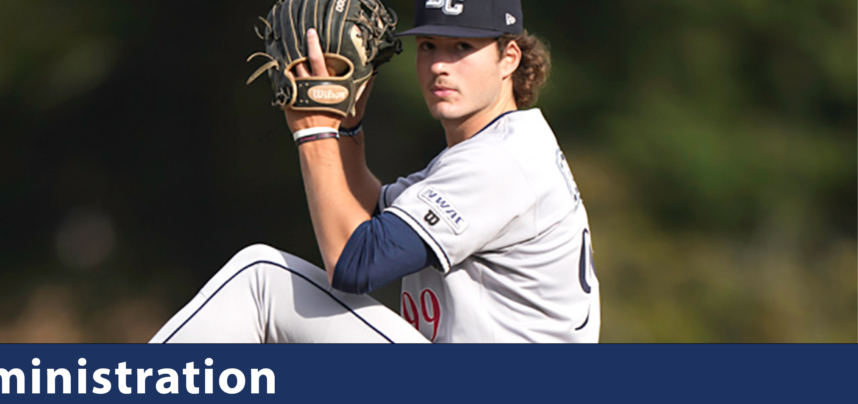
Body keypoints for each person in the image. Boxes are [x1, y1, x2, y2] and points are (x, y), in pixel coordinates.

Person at [149, 0, 599, 343]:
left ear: (510, 58)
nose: (440, 64)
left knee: (260, 277)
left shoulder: (501, 161)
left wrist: (314, 131)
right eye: (429, 46)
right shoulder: (496, 148)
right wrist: (345, 129)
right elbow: (368, 211)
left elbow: (354, 263)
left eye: (462, 46)